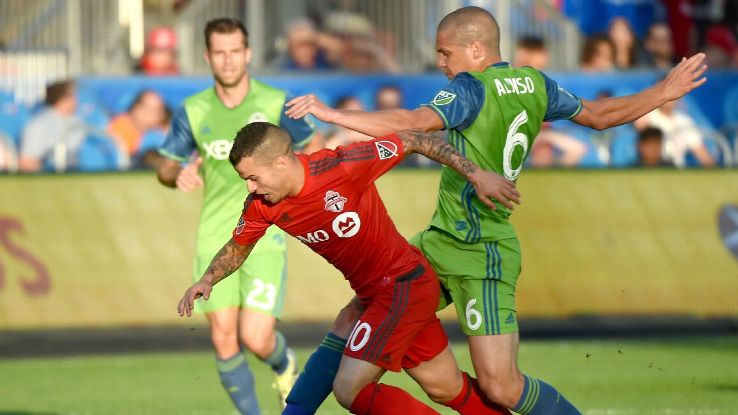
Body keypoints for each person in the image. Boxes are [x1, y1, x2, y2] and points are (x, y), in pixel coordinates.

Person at [285, 6, 707, 414]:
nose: (441, 63)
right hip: (439, 242)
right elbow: (599, 115)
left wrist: (332, 113)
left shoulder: (471, 88)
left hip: (482, 249)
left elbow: (411, 121)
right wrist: (661, 92)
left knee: (501, 386)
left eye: (445, 52)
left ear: (476, 49)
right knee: (362, 309)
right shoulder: (535, 83)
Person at [177, 121, 520, 415]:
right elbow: (239, 246)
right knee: (446, 387)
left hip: (403, 285)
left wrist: (477, 175)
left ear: (281, 163)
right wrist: (207, 279)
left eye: (253, 177)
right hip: (377, 295)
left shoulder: (341, 167)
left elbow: (414, 138)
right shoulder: (261, 204)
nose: (250, 187)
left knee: (348, 387)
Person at [155, 18, 322, 414]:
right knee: (224, 338)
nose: (228, 60)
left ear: (247, 54)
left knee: (257, 338)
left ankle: (283, 362)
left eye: (234, 51)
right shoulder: (193, 110)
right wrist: (177, 174)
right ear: (207, 57)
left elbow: (314, 149)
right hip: (215, 234)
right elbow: (165, 166)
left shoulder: (276, 102)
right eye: (220, 52)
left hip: (265, 235)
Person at [19, 80, 89, 172]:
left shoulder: (79, 121)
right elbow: (27, 162)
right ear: (62, 99)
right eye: (73, 96)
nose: (77, 100)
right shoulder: (38, 125)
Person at [634, 97, 714, 168]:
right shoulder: (646, 116)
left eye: (672, 92)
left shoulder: (685, 121)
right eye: (665, 92)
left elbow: (701, 153)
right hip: (651, 166)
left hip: (676, 169)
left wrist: (711, 168)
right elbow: (643, 145)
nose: (669, 98)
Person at [108, 90, 167, 157]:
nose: (160, 115)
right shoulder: (121, 130)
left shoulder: (148, 133)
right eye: (153, 110)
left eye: (160, 110)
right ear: (135, 108)